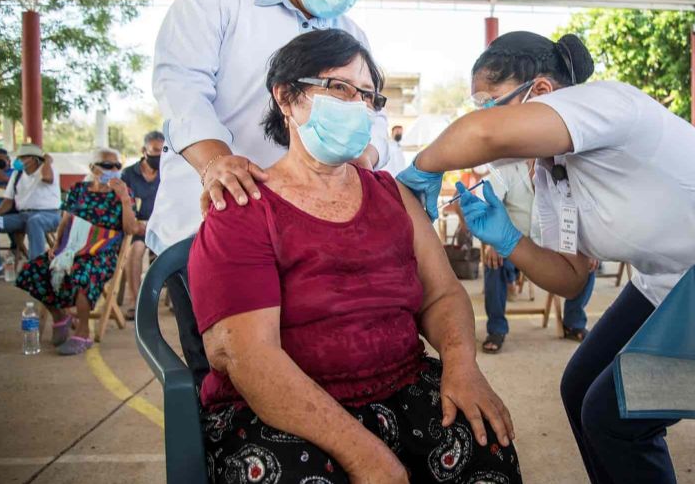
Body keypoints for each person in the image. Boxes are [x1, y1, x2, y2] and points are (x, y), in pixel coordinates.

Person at [396, 30, 695, 483]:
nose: (482, 115)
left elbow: (482, 134)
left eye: (489, 102)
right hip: (669, 283)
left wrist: (419, 171)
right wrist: (509, 241)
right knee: (578, 386)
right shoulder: (551, 174)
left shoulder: (608, 103)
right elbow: (571, 278)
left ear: (543, 92)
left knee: (614, 415)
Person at [188, 29, 521, 483]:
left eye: (367, 95)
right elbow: (248, 356)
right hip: (283, 410)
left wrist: (462, 365)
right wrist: (365, 455)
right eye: (339, 88)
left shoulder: (391, 194)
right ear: (286, 97)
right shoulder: (244, 208)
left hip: (402, 385)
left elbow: (442, 295)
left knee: (487, 448)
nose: (357, 105)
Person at [148, 0, 395, 256]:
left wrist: (367, 154)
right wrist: (215, 162)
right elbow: (181, 85)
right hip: (207, 225)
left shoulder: (351, 35)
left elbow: (374, 113)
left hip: (303, 240)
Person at [15, 148, 140, 355]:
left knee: (83, 273)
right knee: (33, 270)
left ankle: (83, 332)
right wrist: (56, 246)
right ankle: (60, 316)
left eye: (118, 166)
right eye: (107, 165)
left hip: (102, 252)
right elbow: (66, 218)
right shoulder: (79, 190)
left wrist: (124, 198)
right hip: (72, 248)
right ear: (93, 168)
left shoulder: (124, 194)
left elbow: (129, 229)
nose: (114, 170)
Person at [478, 160, 597, 353]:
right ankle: (496, 329)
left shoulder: (567, 167)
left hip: (553, 248)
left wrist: (589, 248)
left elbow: (581, 210)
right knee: (494, 261)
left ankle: (573, 323)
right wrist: (494, 241)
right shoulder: (509, 169)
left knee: (588, 263)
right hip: (514, 245)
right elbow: (490, 202)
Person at [0, 144, 62, 279]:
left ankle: (37, 269)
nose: (19, 160)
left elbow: (47, 178)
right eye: (19, 157)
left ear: (34, 159)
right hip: (22, 216)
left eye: (23, 157)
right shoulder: (17, 174)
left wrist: (47, 160)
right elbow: (8, 200)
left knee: (35, 221)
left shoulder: (48, 169)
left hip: (49, 215)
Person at [120, 130, 165, 320]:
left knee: (177, 250)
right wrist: (138, 224)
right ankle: (135, 302)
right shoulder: (129, 174)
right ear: (143, 150)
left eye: (163, 151)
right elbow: (124, 205)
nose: (159, 155)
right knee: (136, 250)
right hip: (137, 227)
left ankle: (180, 300)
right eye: (155, 150)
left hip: (161, 226)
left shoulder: (167, 172)